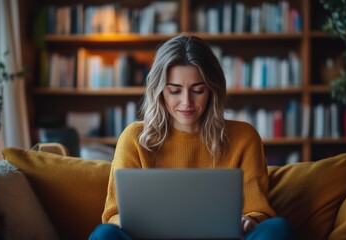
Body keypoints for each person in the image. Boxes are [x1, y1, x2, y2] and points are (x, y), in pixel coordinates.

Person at [89, 35, 294, 240]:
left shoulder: (244, 137)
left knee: (277, 228)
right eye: (175, 91)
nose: (186, 102)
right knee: (104, 234)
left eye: (198, 90)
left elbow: (259, 211)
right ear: (160, 92)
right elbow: (113, 215)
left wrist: (251, 221)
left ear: (212, 90)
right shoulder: (134, 138)